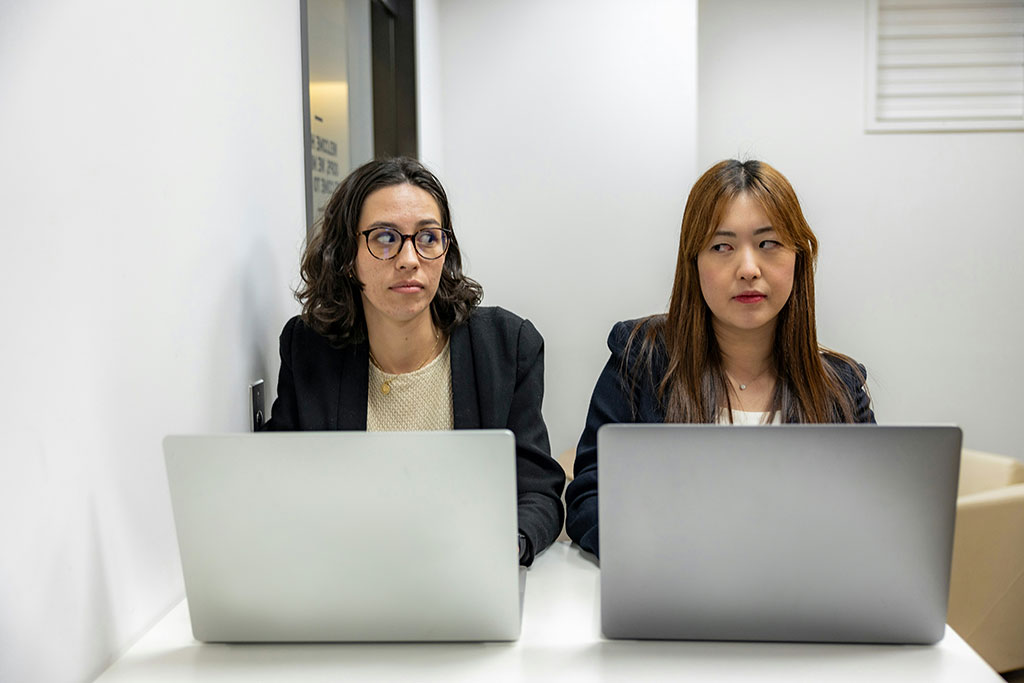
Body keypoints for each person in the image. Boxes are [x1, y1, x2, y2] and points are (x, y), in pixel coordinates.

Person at [564, 159, 875, 558]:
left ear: (798, 258)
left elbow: (871, 519)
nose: (748, 269)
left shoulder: (841, 387)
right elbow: (591, 498)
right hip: (674, 595)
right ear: (693, 262)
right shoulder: (641, 357)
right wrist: (668, 553)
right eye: (722, 246)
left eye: (769, 243)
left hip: (801, 603)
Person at [264, 157, 565, 565]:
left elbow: (537, 491)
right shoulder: (308, 350)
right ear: (347, 256)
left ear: (446, 249)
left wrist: (506, 544)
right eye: (385, 238)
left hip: (465, 579)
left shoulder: (506, 346)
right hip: (346, 578)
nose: (409, 258)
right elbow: (276, 486)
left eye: (427, 237)